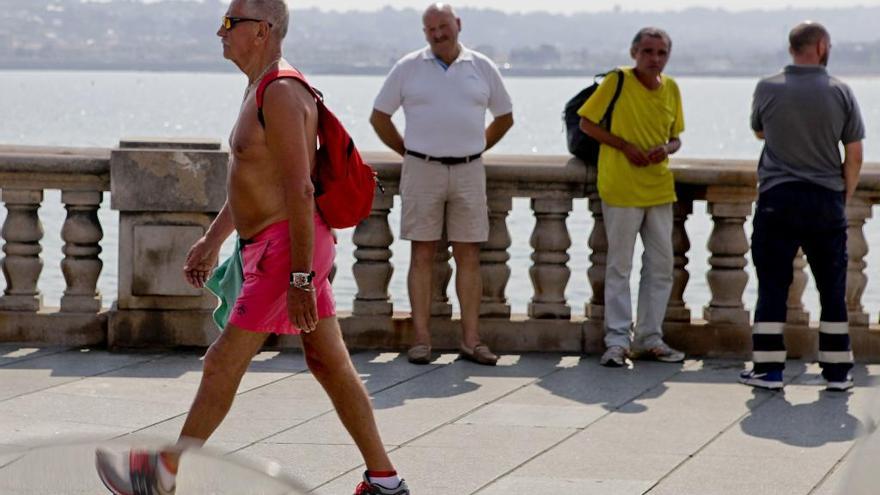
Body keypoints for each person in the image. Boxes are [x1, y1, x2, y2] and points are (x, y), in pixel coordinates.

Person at [95, 1, 409, 494]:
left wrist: (301, 279)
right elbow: (252, 180)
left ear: (261, 30)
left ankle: (160, 475)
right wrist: (213, 239)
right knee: (329, 362)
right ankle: (386, 482)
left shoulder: (282, 91)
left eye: (229, 23)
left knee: (222, 361)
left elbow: (300, 189)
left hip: (288, 251)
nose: (219, 31)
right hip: (276, 245)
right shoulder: (260, 86)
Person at [369, 3, 514, 366]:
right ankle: (421, 340)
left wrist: (478, 145)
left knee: (469, 256)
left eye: (443, 26)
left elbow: (505, 116)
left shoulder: (481, 66)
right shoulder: (408, 67)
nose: (437, 33)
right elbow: (379, 116)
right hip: (422, 169)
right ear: (424, 33)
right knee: (421, 254)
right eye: (430, 28)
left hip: (469, 170)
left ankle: (472, 340)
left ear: (458, 24)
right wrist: (406, 151)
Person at [740, 21, 864, 392]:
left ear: (792, 47)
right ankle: (837, 372)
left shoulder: (767, 87)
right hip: (824, 200)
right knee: (832, 287)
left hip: (778, 198)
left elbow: (760, 130)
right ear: (822, 46)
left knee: (773, 284)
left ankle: (768, 370)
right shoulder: (841, 91)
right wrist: (843, 195)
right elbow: (854, 153)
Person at [578, 27, 686, 368]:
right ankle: (616, 341)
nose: (654, 59)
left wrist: (664, 149)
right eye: (648, 52)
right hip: (621, 186)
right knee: (619, 266)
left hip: (658, 186)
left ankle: (649, 338)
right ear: (634, 52)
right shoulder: (617, 81)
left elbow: (676, 137)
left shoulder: (671, 87)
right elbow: (586, 123)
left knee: (662, 266)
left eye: (661, 53)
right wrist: (624, 146)